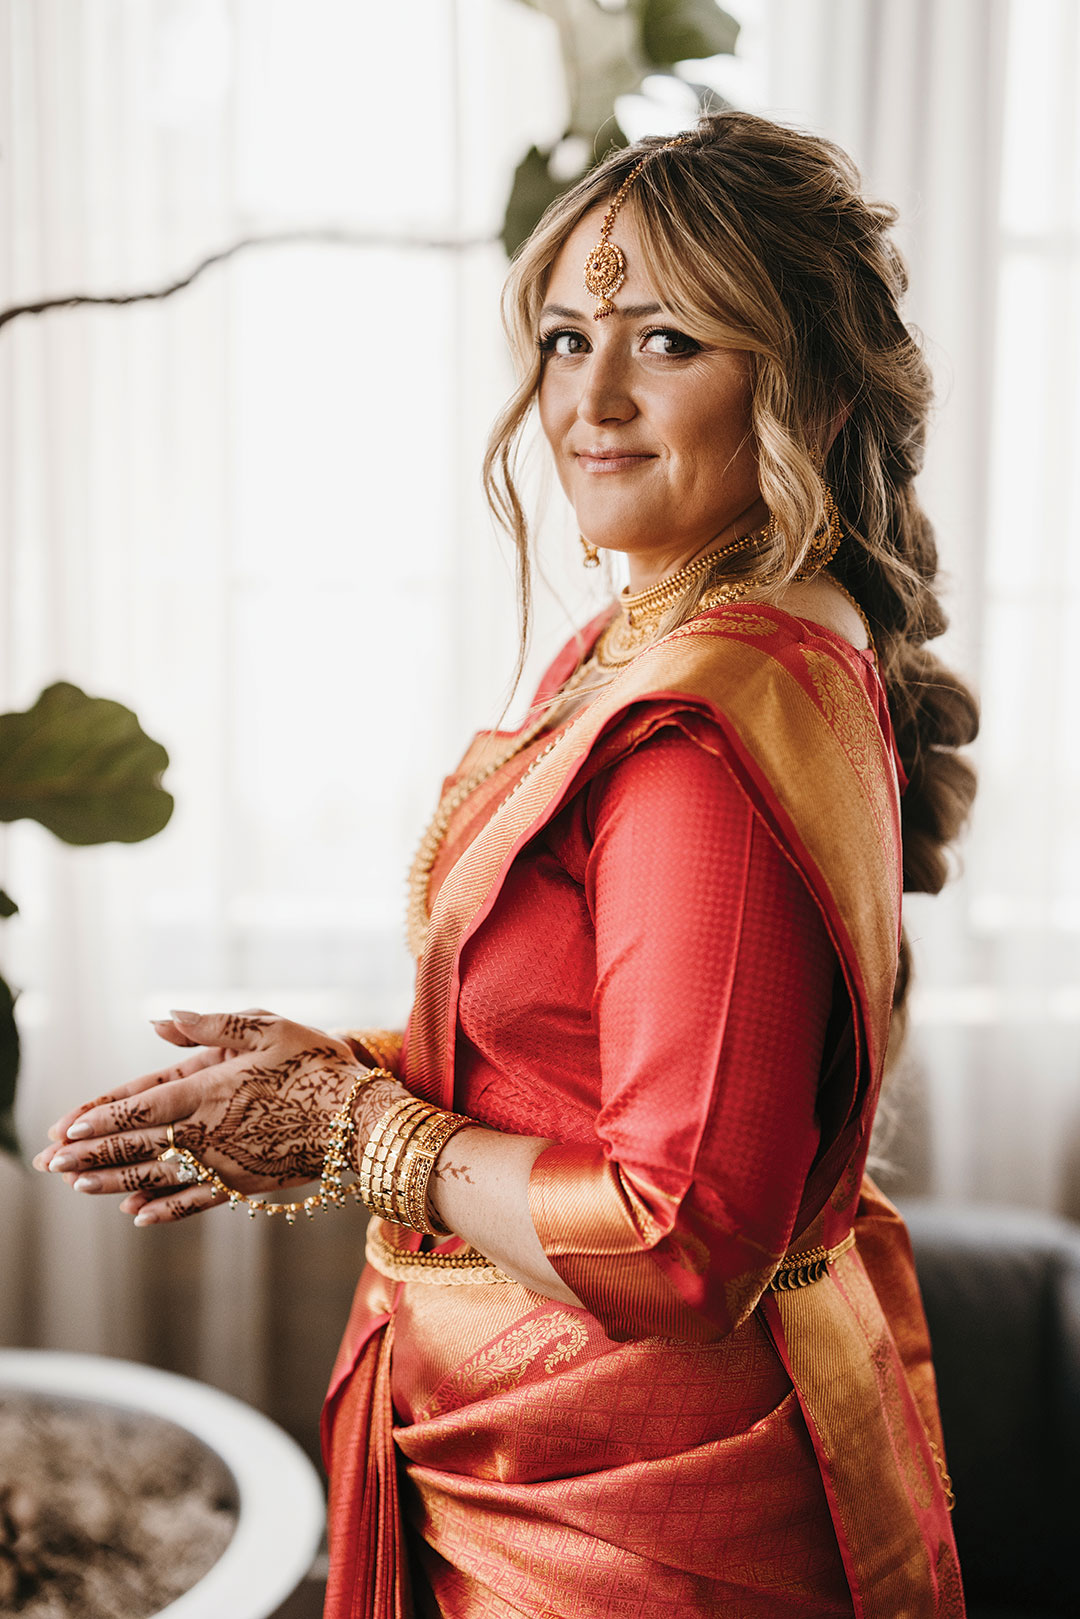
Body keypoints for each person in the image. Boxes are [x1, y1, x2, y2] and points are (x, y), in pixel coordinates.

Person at [34, 111, 977, 1617]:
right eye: (562, 336)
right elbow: (581, 1061)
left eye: (668, 339)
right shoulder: (673, 633)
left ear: (802, 378)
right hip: (561, 1459)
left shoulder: (697, 736)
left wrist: (363, 1132)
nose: (589, 400)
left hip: (628, 1524)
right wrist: (319, 1080)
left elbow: (681, 1240)